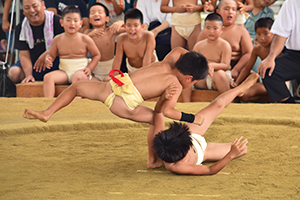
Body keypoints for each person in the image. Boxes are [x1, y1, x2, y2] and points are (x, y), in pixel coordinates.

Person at [23, 47, 208, 138]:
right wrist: (193, 118)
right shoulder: (174, 85)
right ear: (190, 78)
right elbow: (168, 111)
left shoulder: (169, 59)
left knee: (75, 87)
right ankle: (154, 159)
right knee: (157, 117)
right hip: (123, 103)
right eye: (193, 83)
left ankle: (47, 113)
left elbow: (180, 50)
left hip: (112, 86)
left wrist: (197, 60)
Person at [148, 73, 259, 173]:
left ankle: (240, 89)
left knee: (218, 103)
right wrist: (231, 155)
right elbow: (210, 169)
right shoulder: (179, 167)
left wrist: (163, 98)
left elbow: (158, 112)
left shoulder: (161, 139)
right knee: (243, 149)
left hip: (192, 132)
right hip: (204, 151)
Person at [43, 5, 100, 97]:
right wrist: (48, 59)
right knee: (48, 77)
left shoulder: (85, 39)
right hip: (64, 72)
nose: (72, 23)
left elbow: (96, 55)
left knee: (77, 78)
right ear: (61, 22)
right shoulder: (57, 39)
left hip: (81, 72)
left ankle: (77, 99)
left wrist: (89, 68)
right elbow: (51, 54)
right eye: (68, 20)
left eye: (75, 20)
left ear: (81, 23)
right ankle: (48, 102)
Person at [8, 0, 65, 84]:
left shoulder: (57, 22)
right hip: (33, 64)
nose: (32, 10)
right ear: (23, 11)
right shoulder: (21, 28)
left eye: (35, 6)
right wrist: (28, 75)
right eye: (27, 8)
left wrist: (48, 53)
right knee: (14, 72)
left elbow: (66, 47)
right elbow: (24, 56)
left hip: (54, 63)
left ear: (43, 5)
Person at [197, 0, 252, 81]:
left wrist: (236, 70)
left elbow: (248, 53)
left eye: (234, 9)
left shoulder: (242, 31)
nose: (230, 12)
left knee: (253, 76)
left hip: (234, 67)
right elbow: (198, 53)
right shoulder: (207, 31)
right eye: (226, 9)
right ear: (218, 11)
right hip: (210, 68)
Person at [257, 0, 300, 103]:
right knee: (268, 70)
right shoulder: (291, 3)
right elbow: (281, 34)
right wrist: (270, 57)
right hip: (295, 55)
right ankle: (290, 108)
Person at [188, 13, 232, 102]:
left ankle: (229, 102)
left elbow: (226, 65)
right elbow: (193, 65)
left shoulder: (225, 45)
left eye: (215, 28)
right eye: (208, 28)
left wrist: (211, 65)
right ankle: (186, 103)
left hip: (218, 77)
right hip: (203, 78)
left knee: (220, 75)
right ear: (204, 28)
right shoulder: (199, 45)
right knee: (187, 76)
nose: (211, 31)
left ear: (222, 29)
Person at [232, 17, 275, 102]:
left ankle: (276, 98)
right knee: (244, 95)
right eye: (258, 34)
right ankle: (270, 99)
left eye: (266, 34)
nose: (262, 38)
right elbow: (247, 68)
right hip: (266, 84)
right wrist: (236, 83)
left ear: (273, 33)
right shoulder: (257, 49)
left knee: (280, 94)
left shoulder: (280, 49)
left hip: (281, 84)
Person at [84, 2, 125, 82]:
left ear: (107, 18)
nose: (96, 14)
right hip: (94, 71)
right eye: (92, 13)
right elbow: (79, 44)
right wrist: (89, 36)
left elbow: (129, 29)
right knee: (89, 82)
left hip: (110, 70)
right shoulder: (87, 32)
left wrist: (121, 22)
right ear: (89, 20)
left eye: (100, 12)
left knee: (110, 81)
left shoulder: (111, 30)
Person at [110, 8, 157, 75]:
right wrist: (114, 78)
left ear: (142, 26)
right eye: (129, 25)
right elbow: (117, 60)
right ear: (125, 27)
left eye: (136, 25)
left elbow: (147, 62)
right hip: (132, 69)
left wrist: (140, 78)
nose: (132, 29)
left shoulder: (149, 36)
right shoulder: (121, 38)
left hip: (150, 68)